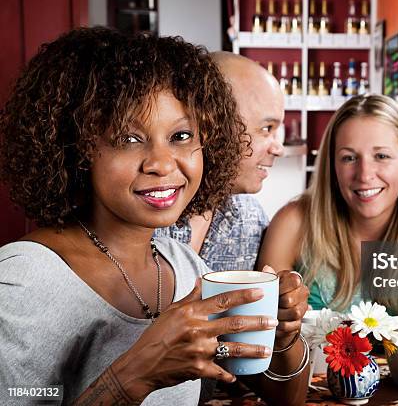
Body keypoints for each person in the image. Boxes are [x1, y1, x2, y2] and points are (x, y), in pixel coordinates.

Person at [0, 27, 308, 406]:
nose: (163, 163)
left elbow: (285, 397)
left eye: (180, 136)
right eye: (129, 139)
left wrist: (283, 336)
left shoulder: (187, 270)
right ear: (76, 148)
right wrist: (137, 372)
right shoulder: (24, 280)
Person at [258, 94, 398, 314]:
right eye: (349, 158)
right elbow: (266, 327)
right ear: (332, 165)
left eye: (381, 156)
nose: (364, 175)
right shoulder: (294, 222)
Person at [155, 51, 284, 272]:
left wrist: (282, 300)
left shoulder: (250, 219)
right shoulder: (142, 212)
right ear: (214, 125)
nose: (278, 149)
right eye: (266, 129)